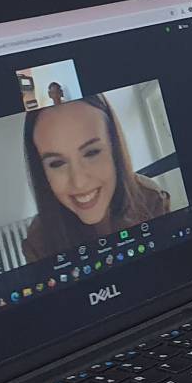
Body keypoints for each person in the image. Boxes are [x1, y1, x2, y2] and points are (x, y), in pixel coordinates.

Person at [21, 94, 169, 263]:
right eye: (57, 163)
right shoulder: (39, 241)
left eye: (92, 153)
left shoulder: (151, 199)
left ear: (114, 148)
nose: (79, 182)